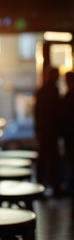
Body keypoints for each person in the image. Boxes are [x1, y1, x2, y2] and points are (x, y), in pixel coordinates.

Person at [34, 67, 61, 196]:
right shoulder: (53, 91)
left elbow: (37, 113)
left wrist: (38, 130)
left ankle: (40, 187)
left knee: (44, 159)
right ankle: (53, 187)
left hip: (45, 131)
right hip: (50, 131)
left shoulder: (43, 91)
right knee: (51, 159)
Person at [59, 71, 74, 213]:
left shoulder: (68, 97)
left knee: (70, 160)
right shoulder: (67, 96)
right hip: (69, 136)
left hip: (69, 136)